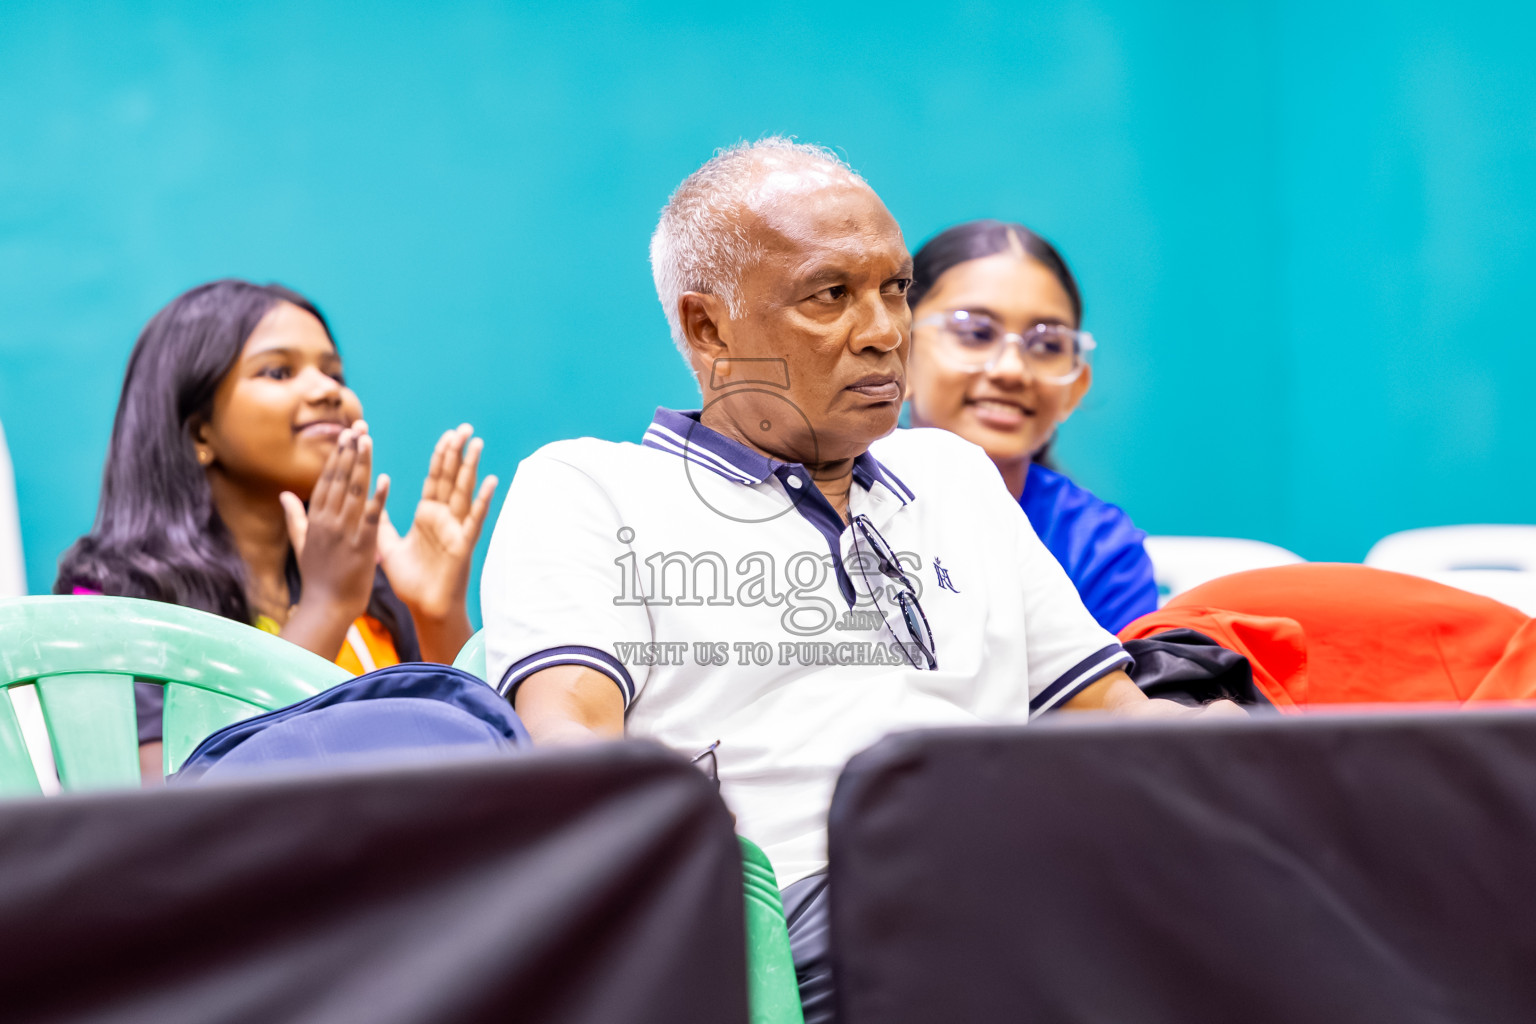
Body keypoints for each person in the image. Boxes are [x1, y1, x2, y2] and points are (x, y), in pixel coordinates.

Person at [479, 138, 1241, 1021]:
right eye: (831, 295)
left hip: (1034, 881)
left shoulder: (954, 475)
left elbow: (1114, 715)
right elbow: (570, 741)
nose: (885, 331)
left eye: (895, 289)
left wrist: (1242, 756)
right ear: (706, 327)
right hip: (792, 920)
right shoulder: (591, 488)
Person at [56, 280, 496, 774]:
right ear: (199, 430)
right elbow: (169, 807)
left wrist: (436, 612)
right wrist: (325, 608)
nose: (328, 390)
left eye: (334, 372)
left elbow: (486, 755)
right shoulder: (116, 602)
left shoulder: (369, 589)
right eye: (279, 371)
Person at [904, 220, 1157, 632]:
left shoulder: (1099, 551)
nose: (1012, 370)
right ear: (898, 354)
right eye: (974, 332)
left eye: (1046, 345)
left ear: (1075, 386)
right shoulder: (827, 514)